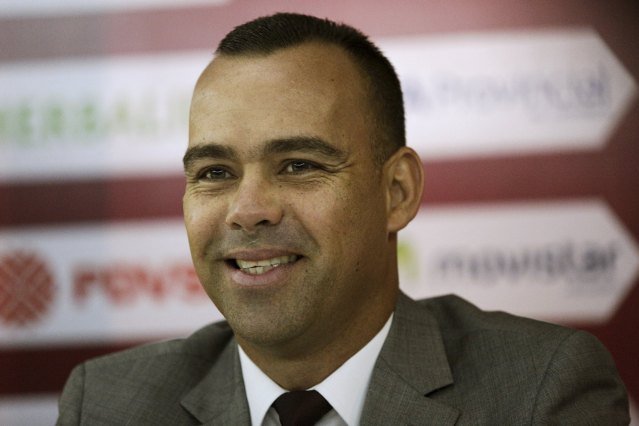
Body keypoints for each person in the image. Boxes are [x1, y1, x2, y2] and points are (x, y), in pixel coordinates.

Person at [57, 12, 629, 425]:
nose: (249, 209)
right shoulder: (106, 404)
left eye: (299, 164)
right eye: (214, 172)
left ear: (396, 192)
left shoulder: (539, 391)